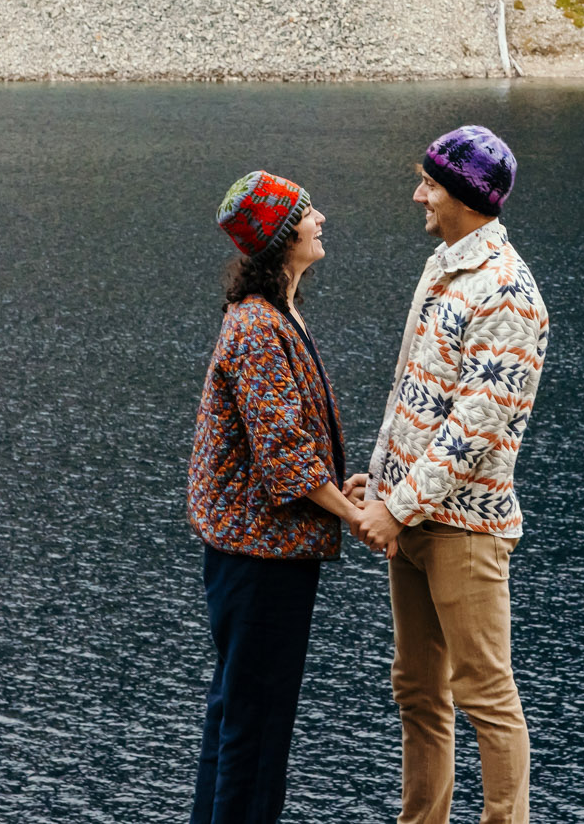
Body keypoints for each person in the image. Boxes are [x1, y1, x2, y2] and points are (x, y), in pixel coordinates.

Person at [355, 125, 550, 824]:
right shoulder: (445, 264)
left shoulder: (507, 294)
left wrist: (395, 506)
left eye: (430, 184)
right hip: (412, 518)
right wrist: (379, 481)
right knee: (417, 688)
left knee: (484, 694)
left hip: (464, 529)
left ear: (465, 196)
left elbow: (474, 430)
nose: (419, 194)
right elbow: (413, 389)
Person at [188, 170, 372, 824]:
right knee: (256, 730)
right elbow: (284, 457)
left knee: (237, 714)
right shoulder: (260, 327)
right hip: (260, 559)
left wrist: (341, 485)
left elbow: (294, 444)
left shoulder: (275, 314)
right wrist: (356, 516)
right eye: (306, 211)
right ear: (279, 237)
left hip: (256, 554)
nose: (320, 218)